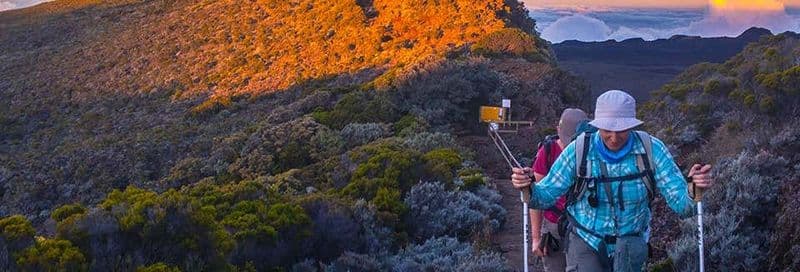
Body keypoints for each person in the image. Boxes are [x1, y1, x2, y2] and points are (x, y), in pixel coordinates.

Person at [511, 90, 714, 272]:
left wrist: (693, 189)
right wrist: (528, 186)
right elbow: (544, 196)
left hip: (630, 243)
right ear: (597, 125)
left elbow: (682, 204)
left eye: (622, 130)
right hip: (586, 238)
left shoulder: (652, 150)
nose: (614, 137)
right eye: (607, 129)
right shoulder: (579, 150)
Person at [530, 108, 588, 272]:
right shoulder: (547, 152)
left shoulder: (591, 152)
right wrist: (536, 238)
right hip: (553, 225)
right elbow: (537, 197)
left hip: (584, 228)